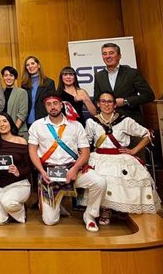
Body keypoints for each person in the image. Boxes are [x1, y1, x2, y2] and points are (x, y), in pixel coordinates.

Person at [28, 95, 106, 232]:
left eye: (55, 103)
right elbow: (32, 151)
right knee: (50, 221)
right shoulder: (37, 126)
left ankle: (90, 216)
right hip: (49, 173)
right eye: (49, 104)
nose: (52, 107)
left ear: (62, 105)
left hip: (73, 170)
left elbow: (86, 151)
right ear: (45, 107)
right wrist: (41, 171)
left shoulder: (76, 125)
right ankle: (57, 203)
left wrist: (75, 168)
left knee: (99, 182)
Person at [85, 92, 160, 224]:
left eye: (109, 102)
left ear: (115, 105)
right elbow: (85, 142)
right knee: (102, 179)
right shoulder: (92, 122)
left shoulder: (125, 121)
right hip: (99, 157)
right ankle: (105, 210)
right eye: (103, 101)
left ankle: (122, 209)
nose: (106, 104)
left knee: (123, 180)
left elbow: (147, 134)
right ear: (98, 104)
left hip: (120, 157)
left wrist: (134, 150)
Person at [93, 43, 155, 125]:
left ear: (119, 56)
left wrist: (126, 101)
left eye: (111, 53)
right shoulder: (99, 76)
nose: (108, 56)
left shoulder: (132, 73)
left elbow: (149, 95)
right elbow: (96, 100)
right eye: (105, 54)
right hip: (109, 124)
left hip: (131, 122)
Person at [0, 112, 31, 225]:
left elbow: (30, 166)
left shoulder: (21, 141)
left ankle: (21, 211)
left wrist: (18, 172)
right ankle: (11, 211)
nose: (2, 124)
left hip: (19, 183)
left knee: (7, 202)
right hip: (1, 184)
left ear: (10, 123)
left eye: (4, 121)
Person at [22, 55, 56, 125]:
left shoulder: (49, 83)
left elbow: (52, 103)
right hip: (27, 122)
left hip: (44, 120)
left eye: (32, 63)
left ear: (38, 65)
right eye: (27, 65)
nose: (30, 66)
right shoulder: (24, 85)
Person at [1, 66, 28, 138]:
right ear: (3, 77)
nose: (8, 78)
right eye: (6, 75)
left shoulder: (22, 92)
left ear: (15, 77)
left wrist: (14, 130)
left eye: (11, 75)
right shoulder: (0, 92)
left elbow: (23, 114)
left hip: (18, 131)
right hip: (2, 131)